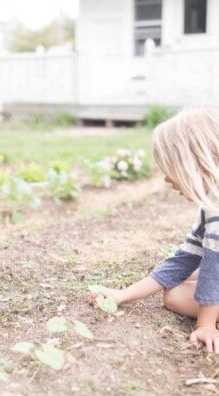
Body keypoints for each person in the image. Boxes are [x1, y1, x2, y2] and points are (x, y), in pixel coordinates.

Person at [89, 107, 219, 354]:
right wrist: (122, 295)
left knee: (175, 297)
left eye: (169, 170)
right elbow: (183, 260)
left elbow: (215, 267)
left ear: (195, 165)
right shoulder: (211, 204)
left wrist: (206, 324)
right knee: (189, 276)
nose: (167, 180)